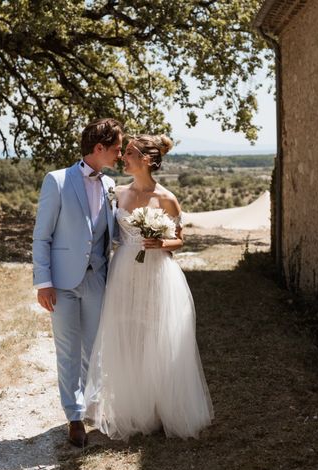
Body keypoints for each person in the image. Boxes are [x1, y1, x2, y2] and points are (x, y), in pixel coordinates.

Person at [84, 134, 214, 441]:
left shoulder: (166, 198)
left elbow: (180, 240)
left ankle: (159, 409)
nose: (122, 158)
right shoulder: (117, 193)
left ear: (145, 160)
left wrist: (161, 242)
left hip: (156, 272)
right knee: (127, 335)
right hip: (123, 272)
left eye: (128, 154)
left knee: (156, 336)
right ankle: (131, 408)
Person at [32, 118, 123, 447]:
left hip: (98, 278)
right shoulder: (56, 181)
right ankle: (74, 416)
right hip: (62, 283)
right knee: (68, 350)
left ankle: (93, 408)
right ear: (99, 148)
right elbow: (41, 236)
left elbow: (113, 234)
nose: (119, 154)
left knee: (95, 349)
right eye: (116, 149)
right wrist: (43, 282)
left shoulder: (110, 185)